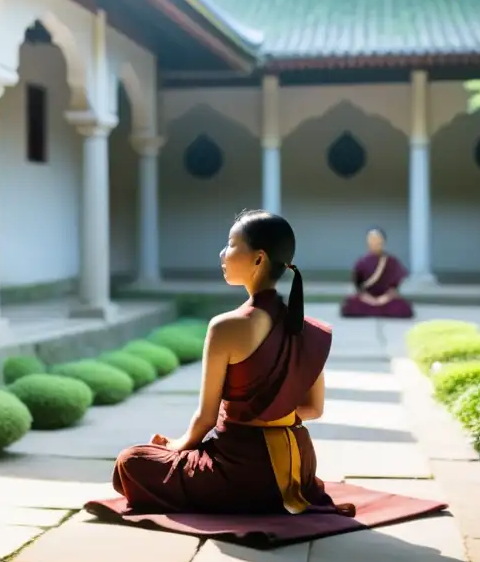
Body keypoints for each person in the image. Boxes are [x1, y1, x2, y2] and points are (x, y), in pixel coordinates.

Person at [108, 209, 354, 518]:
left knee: (131, 461)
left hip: (243, 473)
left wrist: (176, 445)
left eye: (231, 243)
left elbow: (206, 418)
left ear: (258, 258)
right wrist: (270, 417)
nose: (222, 253)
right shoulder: (304, 327)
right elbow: (314, 409)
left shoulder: (226, 326)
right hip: (299, 470)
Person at [339, 228, 414, 319]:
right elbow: (358, 286)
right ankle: (377, 310)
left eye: (378, 240)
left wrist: (384, 299)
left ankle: (375, 310)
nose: (375, 242)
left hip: (386, 299)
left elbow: (395, 287)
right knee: (349, 306)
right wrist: (369, 299)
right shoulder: (362, 262)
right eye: (372, 240)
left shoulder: (391, 261)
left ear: (383, 241)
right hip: (366, 299)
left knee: (403, 308)